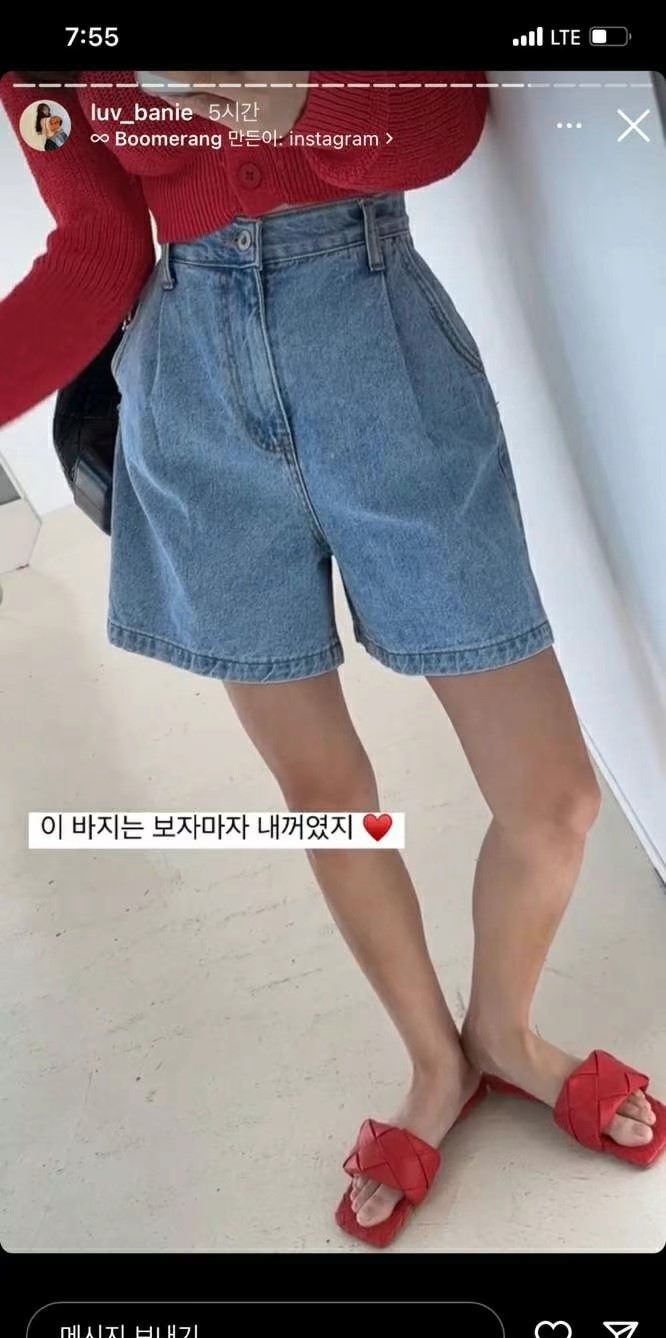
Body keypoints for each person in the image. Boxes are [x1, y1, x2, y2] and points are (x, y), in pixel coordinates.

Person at [1, 68, 663, 1248]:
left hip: (382, 354)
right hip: (192, 401)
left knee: (552, 796)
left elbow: (446, 124)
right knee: (325, 794)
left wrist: (303, 102)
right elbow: (98, 250)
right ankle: (435, 1064)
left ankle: (503, 1031)